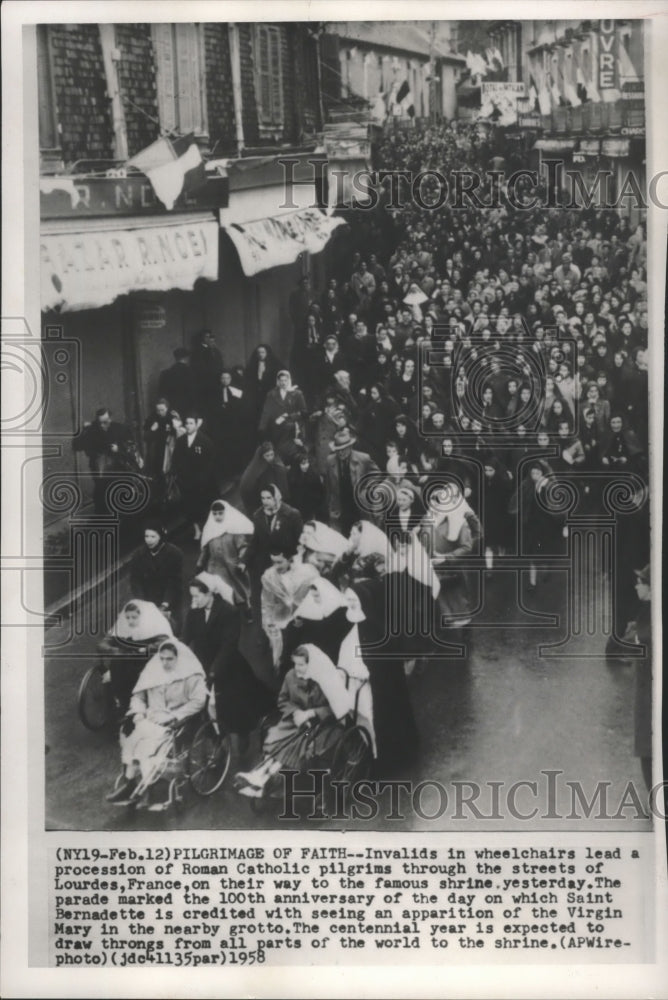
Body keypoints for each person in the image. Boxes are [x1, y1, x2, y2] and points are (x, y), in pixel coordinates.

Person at [234, 644, 352, 798]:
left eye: (301, 664)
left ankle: (263, 779)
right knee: (277, 737)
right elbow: (283, 700)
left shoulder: (326, 680)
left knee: (295, 744)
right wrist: (296, 712)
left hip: (323, 725)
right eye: (295, 663)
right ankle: (261, 776)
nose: (297, 668)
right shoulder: (290, 676)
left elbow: (337, 709)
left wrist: (311, 713)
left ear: (311, 664)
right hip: (296, 721)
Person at [106, 639, 207, 808]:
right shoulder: (152, 673)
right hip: (149, 719)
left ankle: (144, 790)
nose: (165, 663)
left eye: (170, 659)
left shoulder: (191, 676)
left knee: (145, 749)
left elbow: (198, 701)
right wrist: (138, 712)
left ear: (178, 658)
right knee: (130, 740)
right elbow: (138, 696)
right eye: (162, 658)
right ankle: (130, 784)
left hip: (174, 723)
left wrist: (174, 716)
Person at [183, 574, 273, 756]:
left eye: (197, 596)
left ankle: (243, 735)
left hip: (229, 665)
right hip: (203, 664)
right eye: (192, 596)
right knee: (207, 708)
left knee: (235, 706)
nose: (194, 600)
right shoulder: (194, 612)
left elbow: (228, 645)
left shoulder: (229, 612)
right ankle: (217, 742)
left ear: (209, 594)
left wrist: (214, 671)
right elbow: (186, 638)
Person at [341, 581, 419, 777]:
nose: (350, 603)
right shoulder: (357, 624)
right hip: (364, 685)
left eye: (354, 600)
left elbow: (385, 662)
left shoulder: (380, 628)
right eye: (348, 599)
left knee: (386, 719)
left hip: (381, 687)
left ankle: (390, 761)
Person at [98, 600, 174, 712]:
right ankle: (122, 701)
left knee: (125, 669)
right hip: (128, 659)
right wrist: (114, 650)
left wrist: (147, 648)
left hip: (146, 661)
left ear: (142, 617)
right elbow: (102, 644)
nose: (130, 621)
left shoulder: (152, 627)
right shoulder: (123, 628)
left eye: (134, 617)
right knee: (117, 662)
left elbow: (163, 642)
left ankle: (134, 703)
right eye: (127, 617)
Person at [260, 547, 319, 670]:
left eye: (279, 562)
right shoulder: (269, 576)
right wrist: (270, 623)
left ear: (290, 559)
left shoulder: (307, 572)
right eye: (273, 562)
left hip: (306, 622)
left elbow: (315, 597)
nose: (276, 566)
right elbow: (267, 603)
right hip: (282, 620)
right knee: (283, 657)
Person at [73, 408, 137, 515]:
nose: (102, 425)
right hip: (100, 470)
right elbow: (77, 446)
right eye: (100, 422)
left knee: (119, 496)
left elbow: (132, 448)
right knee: (101, 497)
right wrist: (83, 431)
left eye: (105, 422)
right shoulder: (92, 430)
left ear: (110, 419)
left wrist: (119, 449)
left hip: (118, 469)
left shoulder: (120, 429)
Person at [197, 500, 254, 619]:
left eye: (220, 513)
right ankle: (227, 615)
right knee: (221, 591)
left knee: (240, 591)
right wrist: (200, 563)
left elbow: (242, 546)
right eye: (215, 514)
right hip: (216, 567)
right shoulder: (209, 530)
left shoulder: (233, 530)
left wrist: (242, 561)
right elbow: (205, 550)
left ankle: (247, 611)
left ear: (226, 513)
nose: (217, 516)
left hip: (233, 566)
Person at [625, 565, 652, 795]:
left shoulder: (651, 619)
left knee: (647, 749)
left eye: (641, 582)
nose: (637, 585)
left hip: (649, 696)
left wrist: (635, 636)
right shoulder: (647, 611)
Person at [129, 523, 184, 632]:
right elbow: (135, 580)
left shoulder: (175, 554)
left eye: (153, 536)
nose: (149, 540)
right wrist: (142, 602)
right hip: (148, 599)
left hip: (170, 600)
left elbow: (174, 581)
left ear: (161, 537)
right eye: (146, 536)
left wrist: (165, 604)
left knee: (172, 630)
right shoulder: (138, 554)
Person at [325, 425, 380, 535]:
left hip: (358, 505)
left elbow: (377, 473)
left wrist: (366, 489)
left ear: (350, 447)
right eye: (338, 450)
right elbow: (328, 486)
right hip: (340, 505)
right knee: (342, 536)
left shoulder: (363, 458)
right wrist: (330, 504)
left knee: (362, 535)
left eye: (344, 449)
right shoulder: (330, 461)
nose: (341, 453)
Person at [170, 413, 217, 541]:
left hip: (202, 482)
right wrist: (176, 473)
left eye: (191, 423)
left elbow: (211, 462)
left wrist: (205, 478)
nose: (188, 426)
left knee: (203, 505)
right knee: (189, 506)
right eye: (187, 423)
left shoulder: (206, 442)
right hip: (186, 481)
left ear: (197, 425)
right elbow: (175, 459)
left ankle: (208, 528)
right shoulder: (181, 441)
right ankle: (197, 529)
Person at [248, 484, 304, 578]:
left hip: (289, 561)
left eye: (269, 498)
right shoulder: (258, 516)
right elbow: (255, 540)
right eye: (263, 498)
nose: (265, 501)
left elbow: (300, 540)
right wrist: (244, 561)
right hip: (269, 563)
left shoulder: (292, 514)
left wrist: (295, 559)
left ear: (276, 497)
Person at [259, 370, 308, 463]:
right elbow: (266, 412)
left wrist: (289, 416)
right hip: (276, 429)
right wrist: (262, 428)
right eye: (281, 380)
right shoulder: (272, 394)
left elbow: (304, 412)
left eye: (285, 380)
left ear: (289, 380)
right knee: (279, 456)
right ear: (277, 381)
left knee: (294, 456)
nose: (283, 383)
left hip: (293, 429)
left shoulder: (297, 393)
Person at [239, 442, 290, 515]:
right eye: (267, 456)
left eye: (272, 454)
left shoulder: (270, 462)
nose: (270, 458)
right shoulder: (260, 470)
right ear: (262, 456)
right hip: (256, 500)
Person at [243, 344, 282, 431]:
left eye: (263, 352)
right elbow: (248, 381)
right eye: (259, 352)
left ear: (267, 353)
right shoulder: (252, 365)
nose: (261, 354)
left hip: (270, 394)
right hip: (256, 396)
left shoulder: (275, 365)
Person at [157, 348, 196, 420]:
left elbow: (162, 393)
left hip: (172, 407)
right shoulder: (190, 372)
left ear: (175, 358)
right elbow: (193, 392)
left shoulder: (166, 373)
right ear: (186, 358)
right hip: (187, 407)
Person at [287, 452, 327, 523]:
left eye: (307, 463)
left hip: (312, 507)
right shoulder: (292, 478)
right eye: (303, 464)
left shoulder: (314, 475)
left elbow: (321, 492)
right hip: (299, 509)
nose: (306, 466)